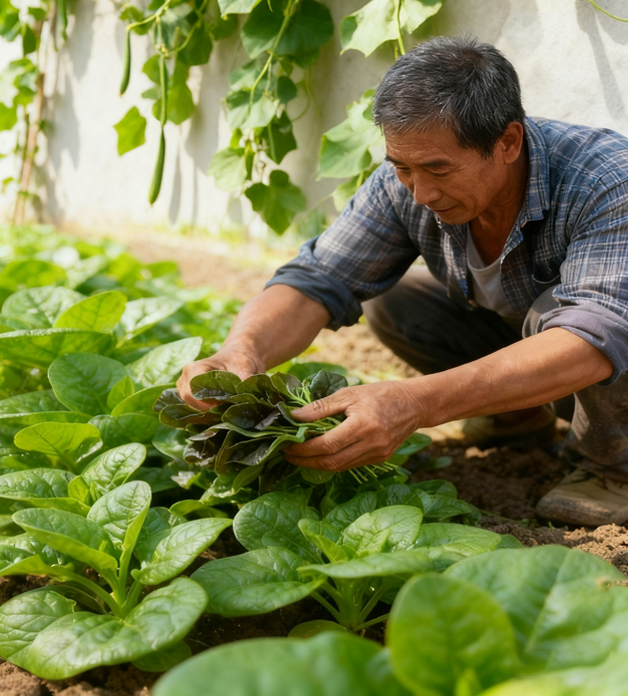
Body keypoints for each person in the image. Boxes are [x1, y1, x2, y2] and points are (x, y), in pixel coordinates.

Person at [178, 36, 628, 528]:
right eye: (403, 167)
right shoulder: (405, 182)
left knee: (570, 318)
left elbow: (594, 337)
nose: (421, 192)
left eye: (438, 169)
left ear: (508, 142)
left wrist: (415, 403)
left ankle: (612, 469)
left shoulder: (608, 180)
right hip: (549, 354)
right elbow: (318, 277)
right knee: (398, 301)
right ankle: (516, 417)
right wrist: (241, 351)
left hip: (604, 348)